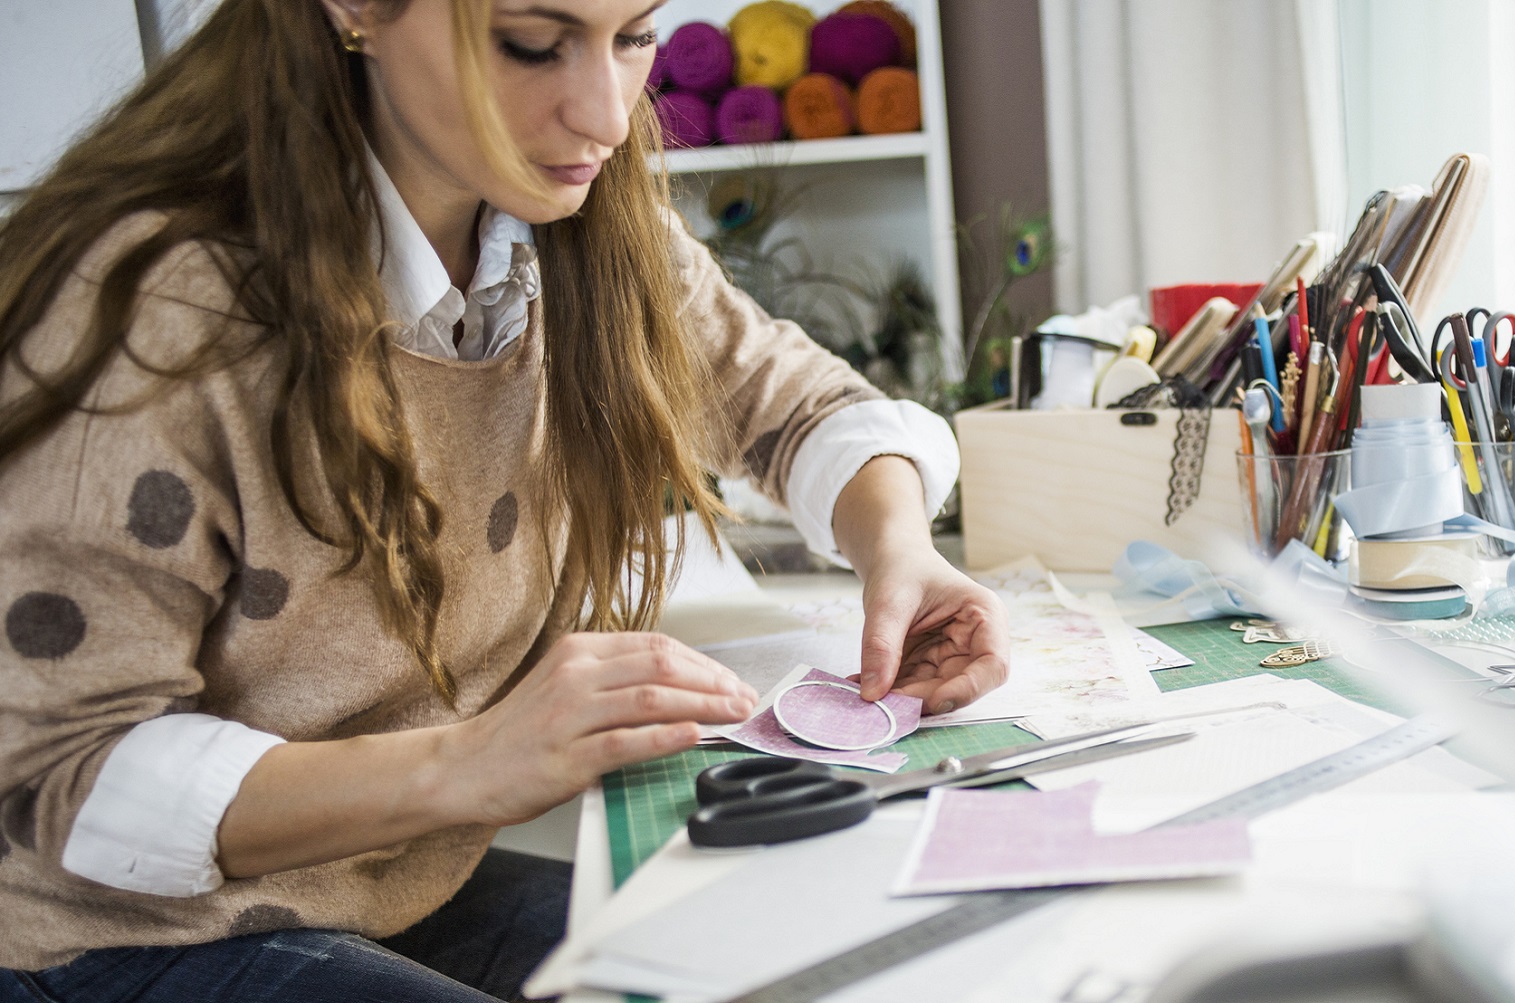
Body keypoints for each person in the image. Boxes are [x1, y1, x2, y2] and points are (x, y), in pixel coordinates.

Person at [0, 0, 1008, 999]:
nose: (608, 117)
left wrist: (899, 550)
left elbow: (798, 404)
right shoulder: (156, 307)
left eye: (634, 36)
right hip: (117, 934)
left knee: (819, 964)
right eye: (533, 44)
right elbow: (59, 775)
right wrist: (468, 764)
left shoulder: (574, 224)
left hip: (382, 883)